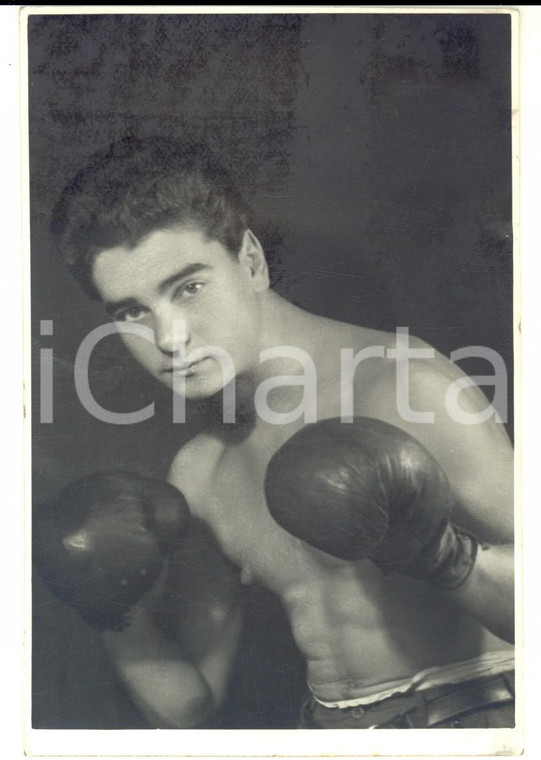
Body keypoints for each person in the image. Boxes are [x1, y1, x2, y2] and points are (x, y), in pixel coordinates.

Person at [45, 135, 515, 729]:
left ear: (250, 261)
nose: (169, 337)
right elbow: (188, 704)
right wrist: (111, 610)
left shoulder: (404, 386)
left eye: (188, 287)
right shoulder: (202, 471)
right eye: (131, 311)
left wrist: (442, 556)